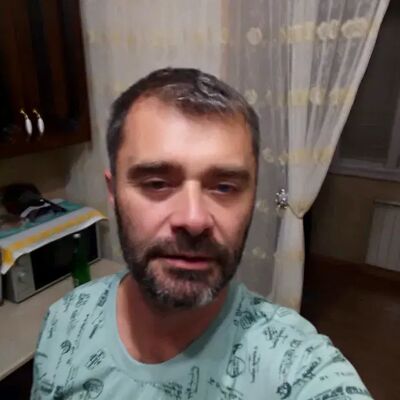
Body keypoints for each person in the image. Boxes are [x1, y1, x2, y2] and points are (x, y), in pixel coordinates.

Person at [31, 68, 371, 400]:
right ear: (113, 191)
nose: (194, 220)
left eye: (224, 187)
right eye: (157, 183)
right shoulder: (65, 321)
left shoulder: (296, 366)